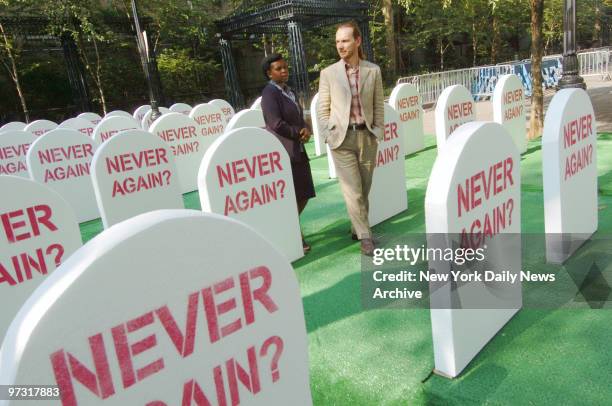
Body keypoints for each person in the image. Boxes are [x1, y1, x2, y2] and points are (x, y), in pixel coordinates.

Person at [317, 21, 384, 256]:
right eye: (337, 42)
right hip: (341, 141)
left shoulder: (372, 71)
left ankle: (357, 227)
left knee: (364, 188)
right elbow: (323, 109)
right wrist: (328, 134)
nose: (340, 46)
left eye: (345, 40)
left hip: (367, 137)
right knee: (353, 191)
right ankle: (366, 237)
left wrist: (378, 130)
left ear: (357, 41)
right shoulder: (328, 73)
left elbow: (378, 104)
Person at [260, 53, 316, 254]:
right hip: (283, 150)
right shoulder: (269, 93)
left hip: (297, 149)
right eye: (278, 68)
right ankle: (293, 233)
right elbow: (274, 122)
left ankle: (290, 226)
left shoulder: (289, 91)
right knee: (293, 193)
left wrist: (305, 129)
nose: (284, 71)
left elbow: (298, 117)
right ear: (269, 73)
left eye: (285, 67)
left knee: (305, 192)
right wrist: (296, 133)